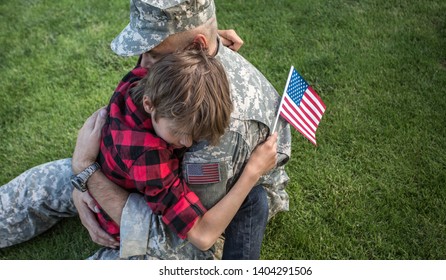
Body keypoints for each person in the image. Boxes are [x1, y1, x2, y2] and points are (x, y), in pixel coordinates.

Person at [0, 0, 291, 260]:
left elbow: (187, 238)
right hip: (137, 178)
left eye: (154, 51)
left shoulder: (219, 127)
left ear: (197, 47)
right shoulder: (178, 67)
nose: (143, 63)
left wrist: (87, 173)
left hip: (196, 220)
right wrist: (82, 178)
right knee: (35, 189)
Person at [93, 44, 277, 253]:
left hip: (118, 179)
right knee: (246, 202)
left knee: (255, 199)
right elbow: (202, 237)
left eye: (194, 135)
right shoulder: (149, 156)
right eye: (178, 132)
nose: (188, 144)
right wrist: (252, 172)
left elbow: (183, 63)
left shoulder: (141, 79)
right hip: (125, 223)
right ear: (149, 104)